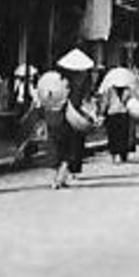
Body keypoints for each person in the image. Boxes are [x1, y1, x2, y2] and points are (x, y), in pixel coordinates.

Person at [48, 48, 97, 189]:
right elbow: (77, 106)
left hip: (54, 118)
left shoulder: (56, 82)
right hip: (68, 120)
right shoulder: (74, 87)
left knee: (58, 150)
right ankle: (60, 180)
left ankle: (57, 179)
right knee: (68, 151)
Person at [101, 76, 136, 165]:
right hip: (124, 112)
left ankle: (114, 154)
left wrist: (102, 112)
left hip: (112, 113)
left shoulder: (109, 90)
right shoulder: (128, 90)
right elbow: (132, 101)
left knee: (113, 135)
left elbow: (105, 102)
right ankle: (122, 154)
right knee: (123, 135)